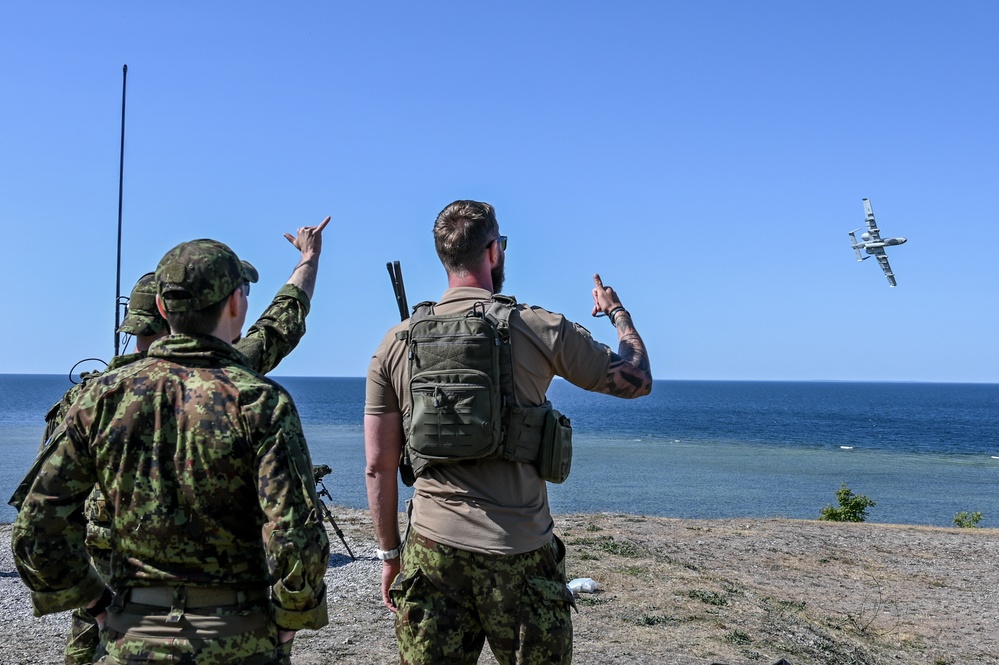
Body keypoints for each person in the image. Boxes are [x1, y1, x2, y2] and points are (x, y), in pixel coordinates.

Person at [18, 217, 330, 665]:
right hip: (237, 637)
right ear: (236, 306)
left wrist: (94, 604)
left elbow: (37, 525)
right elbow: (295, 533)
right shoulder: (256, 400)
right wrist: (289, 621)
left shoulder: (100, 397)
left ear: (162, 310)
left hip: (129, 632)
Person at [364, 199, 653, 664]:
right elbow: (637, 378)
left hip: (434, 554)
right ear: (494, 252)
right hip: (521, 554)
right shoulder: (540, 327)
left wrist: (390, 556)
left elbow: (378, 466)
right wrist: (617, 312)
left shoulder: (395, 343)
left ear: (443, 256)